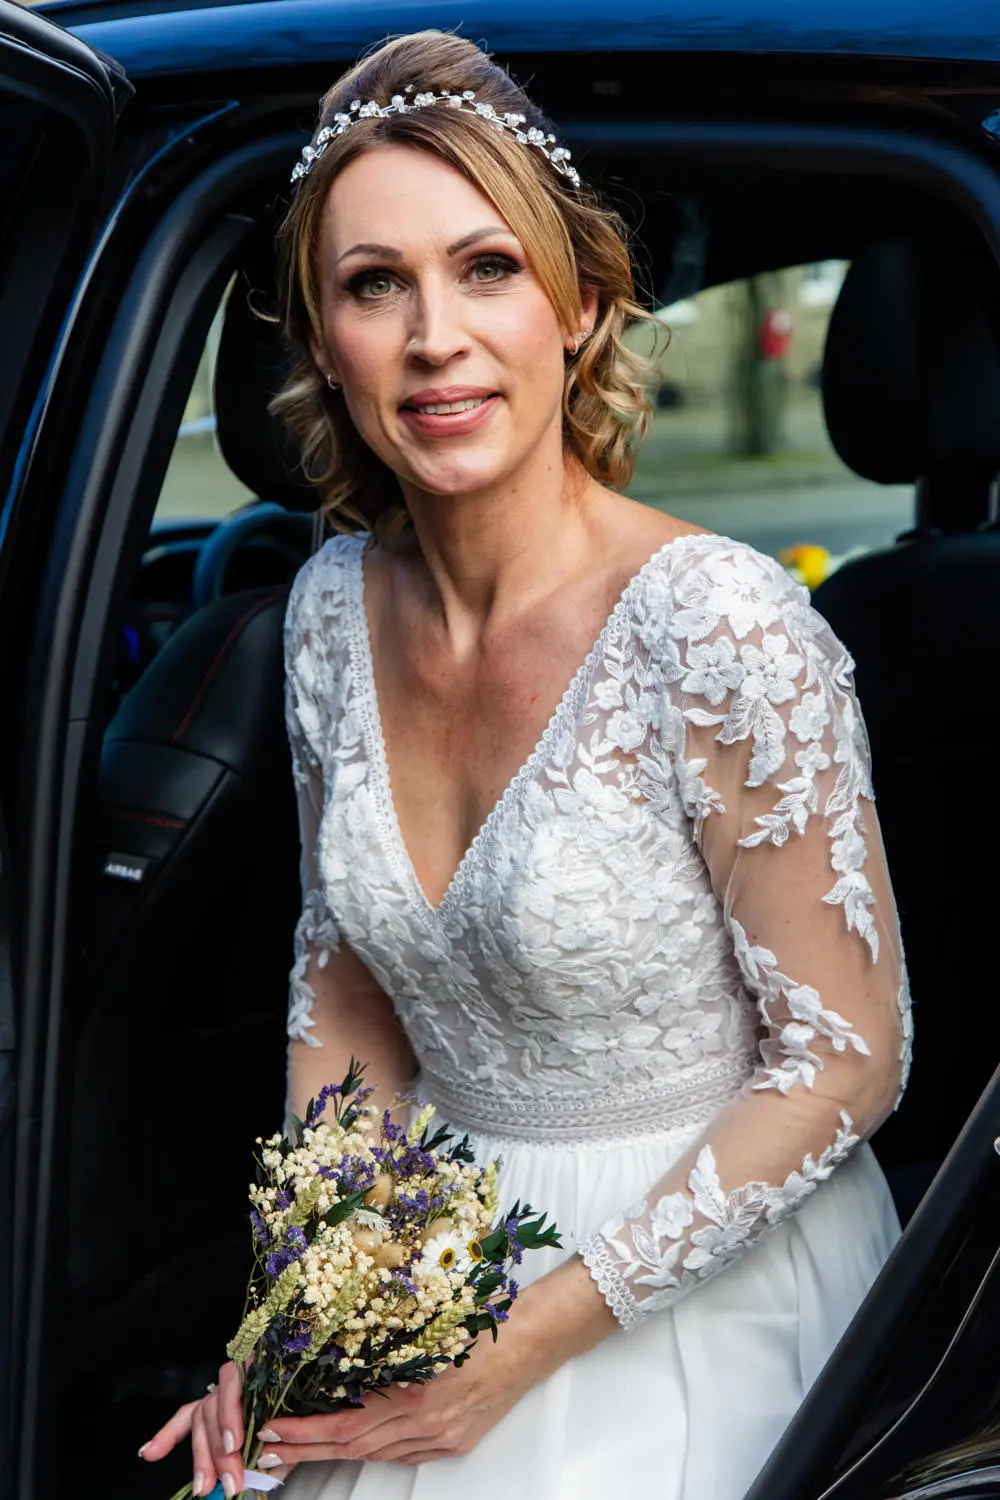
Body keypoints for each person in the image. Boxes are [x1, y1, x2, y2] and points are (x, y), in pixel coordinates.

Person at [138, 28, 913, 1499]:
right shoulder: (322, 612)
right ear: (320, 340)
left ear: (581, 305)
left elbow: (850, 1056)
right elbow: (351, 993)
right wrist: (300, 1311)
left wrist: (525, 1344)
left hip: (693, 1281)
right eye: (378, 284)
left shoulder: (719, 625)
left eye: (486, 267)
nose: (437, 335)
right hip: (436, 1250)